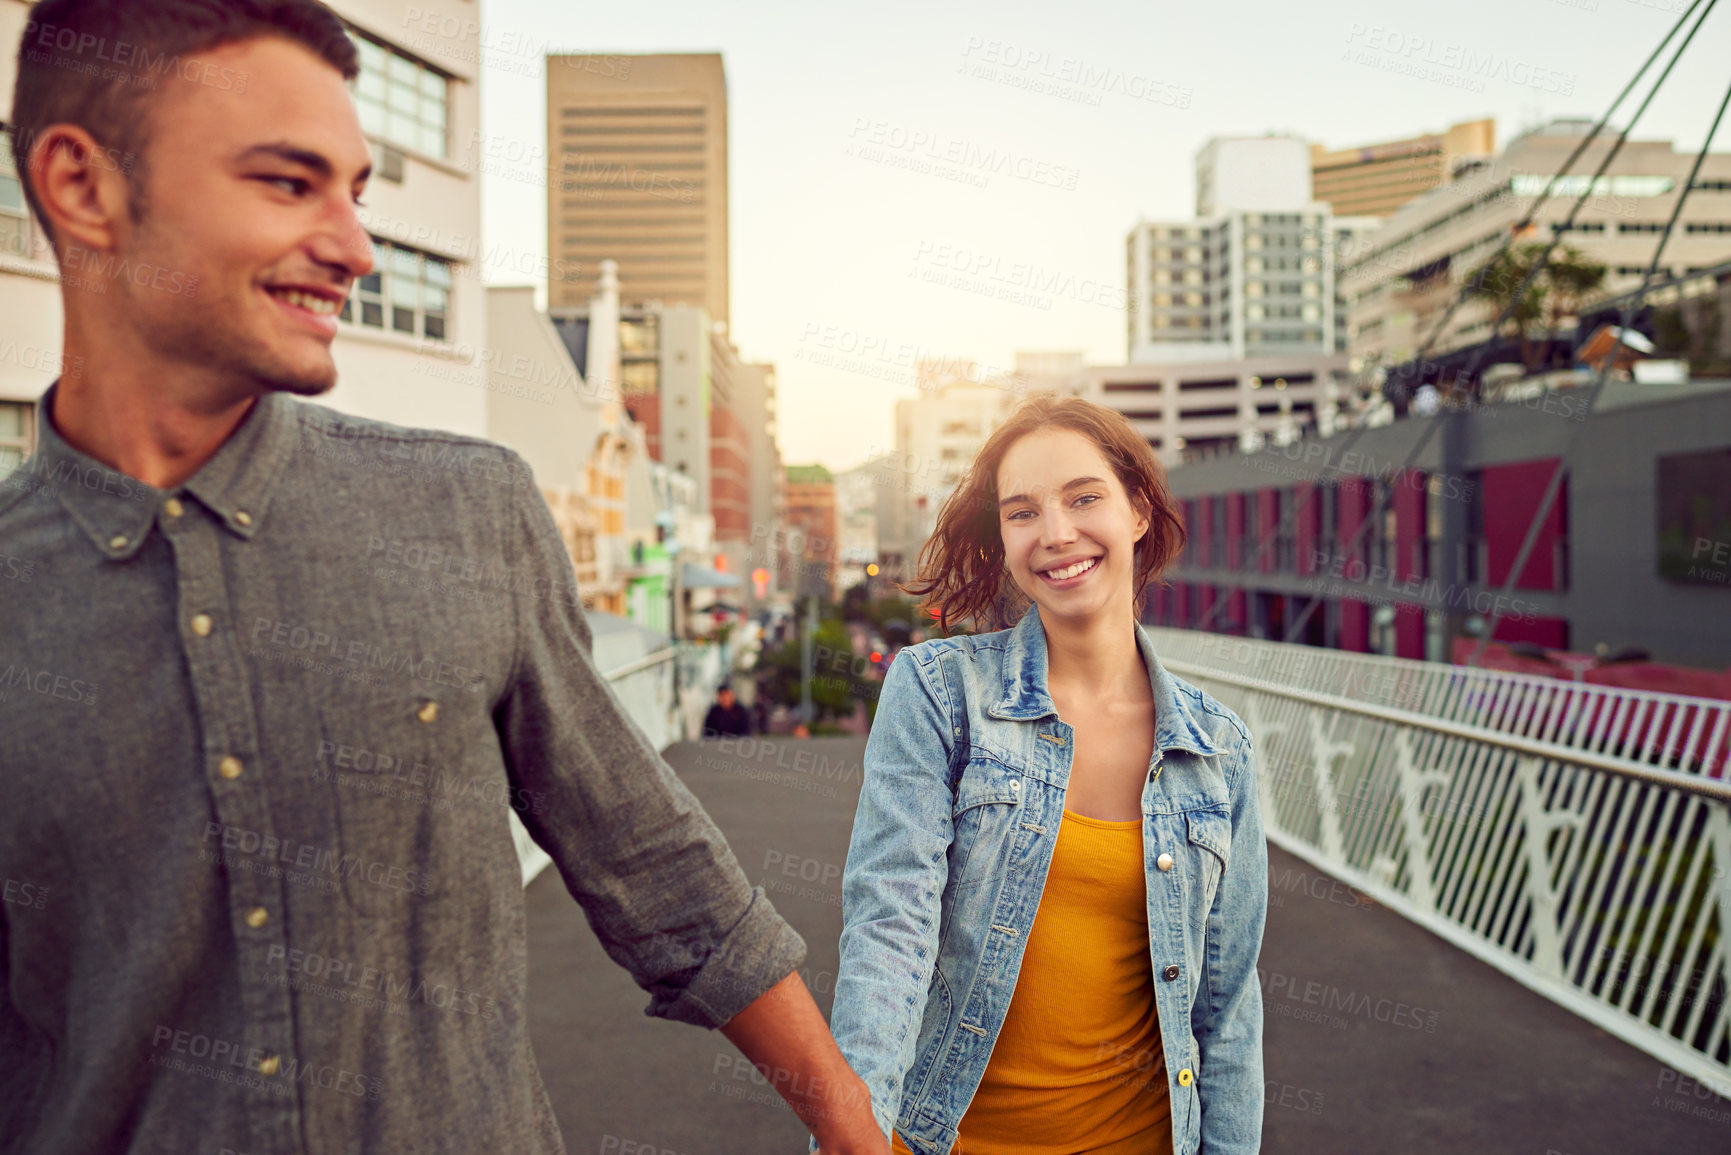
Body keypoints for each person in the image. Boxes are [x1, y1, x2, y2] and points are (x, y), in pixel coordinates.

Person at [0, 4, 886, 1153]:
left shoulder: (467, 509)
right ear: (81, 186)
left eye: (356, 193)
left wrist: (854, 1128)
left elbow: (655, 866)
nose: (357, 250)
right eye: (287, 183)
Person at [823, 396, 1267, 1155]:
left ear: (1136, 510)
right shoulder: (938, 692)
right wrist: (851, 1132)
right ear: (1000, 538)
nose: (1056, 533)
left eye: (1084, 498)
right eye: (1021, 511)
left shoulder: (1217, 748)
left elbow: (1224, 1008)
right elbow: (887, 929)